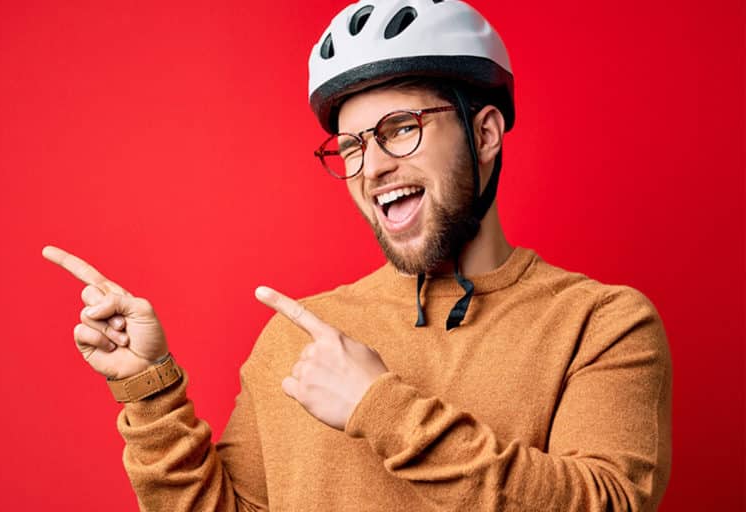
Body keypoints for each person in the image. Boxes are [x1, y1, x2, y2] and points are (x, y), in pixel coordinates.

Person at [42, 1, 672, 510]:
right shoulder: (299, 337)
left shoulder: (603, 322)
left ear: (485, 134)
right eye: (349, 146)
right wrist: (148, 392)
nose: (371, 166)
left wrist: (380, 407)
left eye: (400, 128)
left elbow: (608, 502)